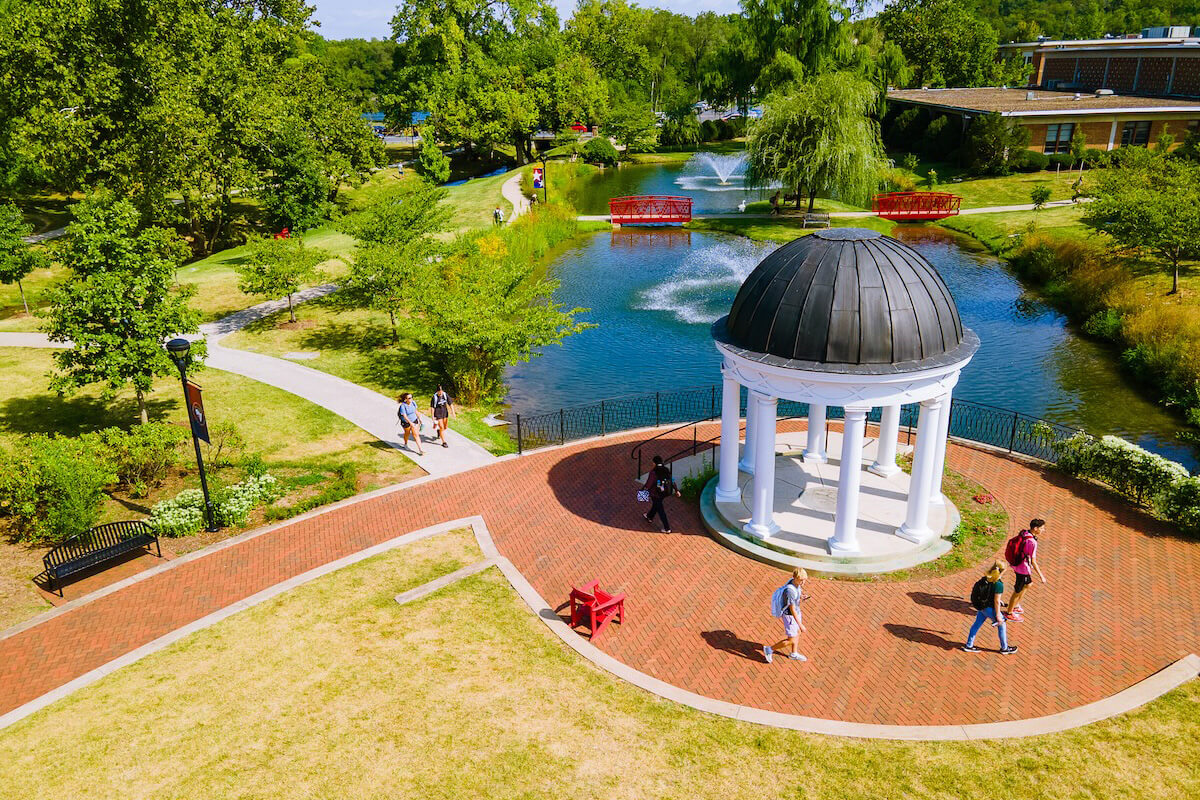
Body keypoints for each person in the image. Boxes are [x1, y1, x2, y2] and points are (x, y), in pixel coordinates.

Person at [963, 560, 1018, 654]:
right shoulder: (999, 584)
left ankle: (969, 645)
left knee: (976, 624)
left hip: (981, 606)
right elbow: (996, 601)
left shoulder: (986, 578)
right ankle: (1004, 648)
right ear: (1002, 571)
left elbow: (989, 593)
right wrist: (998, 616)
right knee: (1002, 625)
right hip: (989, 608)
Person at [1006, 519, 1047, 622]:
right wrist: (1041, 576)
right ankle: (1009, 612)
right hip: (1022, 568)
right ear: (1035, 528)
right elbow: (1033, 561)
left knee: (1028, 584)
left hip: (1018, 565)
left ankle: (1015, 605)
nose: (1043, 530)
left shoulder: (1025, 533)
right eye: (1042, 528)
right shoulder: (1032, 542)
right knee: (1017, 591)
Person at [764, 569, 809, 663]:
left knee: (797, 633)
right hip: (790, 616)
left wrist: (800, 597)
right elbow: (792, 610)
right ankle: (769, 649)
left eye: (804, 580)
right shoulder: (790, 591)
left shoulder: (794, 583)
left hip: (796, 612)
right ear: (795, 578)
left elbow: (795, 598)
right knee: (791, 639)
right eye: (801, 580)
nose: (803, 582)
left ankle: (794, 654)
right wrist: (800, 624)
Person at [641, 455, 680, 533]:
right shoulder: (666, 470)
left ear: (655, 463)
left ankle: (667, 528)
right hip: (665, 493)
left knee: (660, 510)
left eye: (653, 463)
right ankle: (649, 516)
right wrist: (676, 490)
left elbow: (649, 484)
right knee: (656, 505)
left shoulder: (653, 472)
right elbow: (672, 480)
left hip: (656, 493)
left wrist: (643, 490)